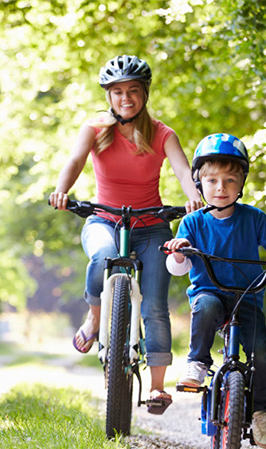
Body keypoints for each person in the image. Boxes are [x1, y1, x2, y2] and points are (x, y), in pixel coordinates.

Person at [49, 54, 203, 415]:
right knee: (102, 256)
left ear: (145, 93)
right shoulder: (96, 128)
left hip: (151, 228)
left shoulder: (163, 133)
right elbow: (74, 161)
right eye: (117, 92)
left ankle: (157, 388)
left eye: (133, 91)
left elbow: (182, 169)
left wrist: (193, 193)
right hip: (104, 220)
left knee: (154, 306)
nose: (125, 98)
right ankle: (94, 315)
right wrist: (61, 189)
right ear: (108, 96)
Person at [164, 133, 266, 448]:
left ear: (241, 182)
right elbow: (178, 267)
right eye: (213, 180)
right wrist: (180, 251)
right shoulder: (192, 223)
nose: (221, 188)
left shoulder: (254, 218)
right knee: (204, 308)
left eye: (230, 180)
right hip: (211, 293)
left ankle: (259, 411)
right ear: (199, 183)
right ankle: (198, 362)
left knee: (261, 353)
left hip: (247, 296)